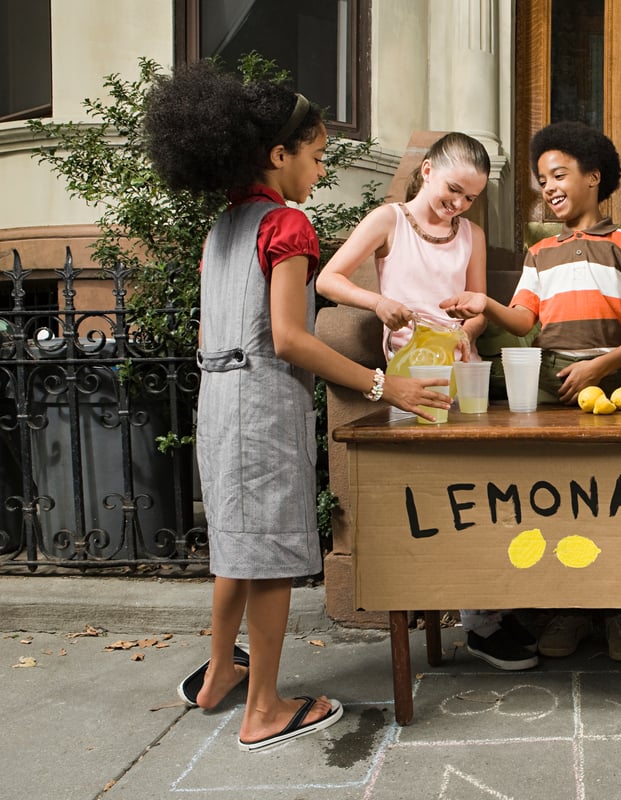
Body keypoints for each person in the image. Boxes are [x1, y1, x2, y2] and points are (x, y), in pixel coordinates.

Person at [142, 61, 451, 752]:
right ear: (278, 155)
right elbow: (289, 338)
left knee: (234, 547)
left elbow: (209, 332)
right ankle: (263, 709)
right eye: (315, 156)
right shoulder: (286, 225)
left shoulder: (224, 226)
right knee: (272, 557)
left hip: (218, 403)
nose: (319, 170)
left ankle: (219, 674)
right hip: (261, 409)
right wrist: (385, 385)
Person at [440, 120, 621, 662]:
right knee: (562, 504)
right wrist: (485, 306)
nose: (548, 187)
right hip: (550, 395)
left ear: (593, 176)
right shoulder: (540, 252)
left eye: (559, 174)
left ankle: (618, 611)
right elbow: (524, 320)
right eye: (542, 179)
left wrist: (601, 365)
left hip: (612, 396)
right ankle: (569, 609)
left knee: (612, 505)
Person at [316, 132, 539, 673]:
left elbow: (478, 309)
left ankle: (483, 618)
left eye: (470, 198)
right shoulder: (388, 221)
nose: (458, 204)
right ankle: (462, 612)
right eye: (452, 190)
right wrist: (379, 303)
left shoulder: (472, 235)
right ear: (427, 171)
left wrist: (469, 327)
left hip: (462, 376)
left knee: (479, 495)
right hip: (410, 381)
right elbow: (329, 280)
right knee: (431, 498)